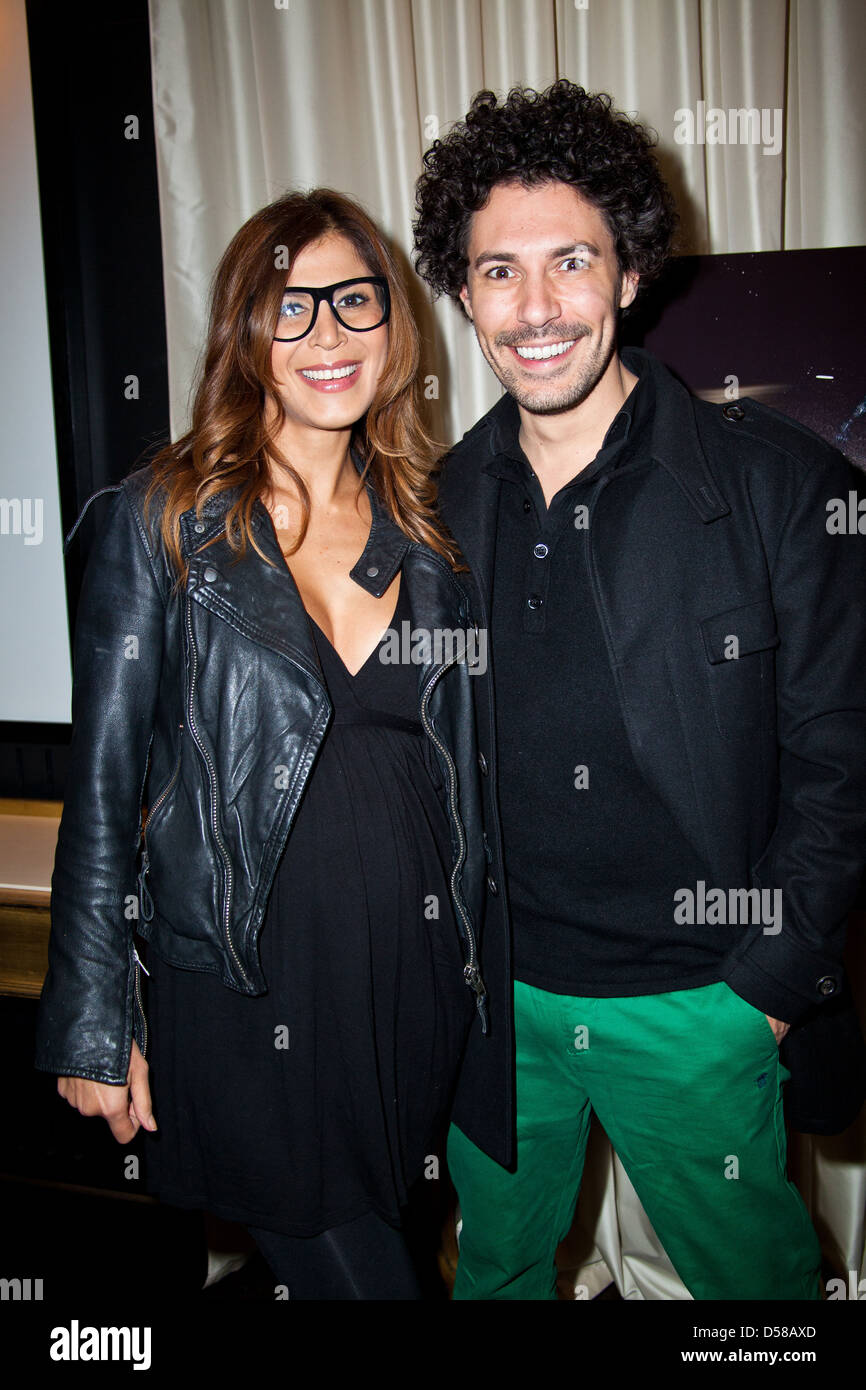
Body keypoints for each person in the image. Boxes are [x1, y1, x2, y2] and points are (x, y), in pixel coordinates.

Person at [412, 79, 866, 1300]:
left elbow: (843, 761)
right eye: (497, 270)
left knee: (754, 1297)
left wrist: (761, 994)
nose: (536, 306)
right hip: (494, 1004)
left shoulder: (777, 484)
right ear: (463, 292)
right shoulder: (431, 509)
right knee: (493, 1274)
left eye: (571, 261)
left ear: (628, 272)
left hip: (696, 1000)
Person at [34, 188, 490, 1300]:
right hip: (246, 987)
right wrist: (92, 1020)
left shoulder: (430, 524)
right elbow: (102, 787)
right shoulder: (167, 517)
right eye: (290, 307)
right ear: (247, 333)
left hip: (409, 986)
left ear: (394, 327)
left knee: (393, 1237)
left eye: (354, 301)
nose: (328, 334)